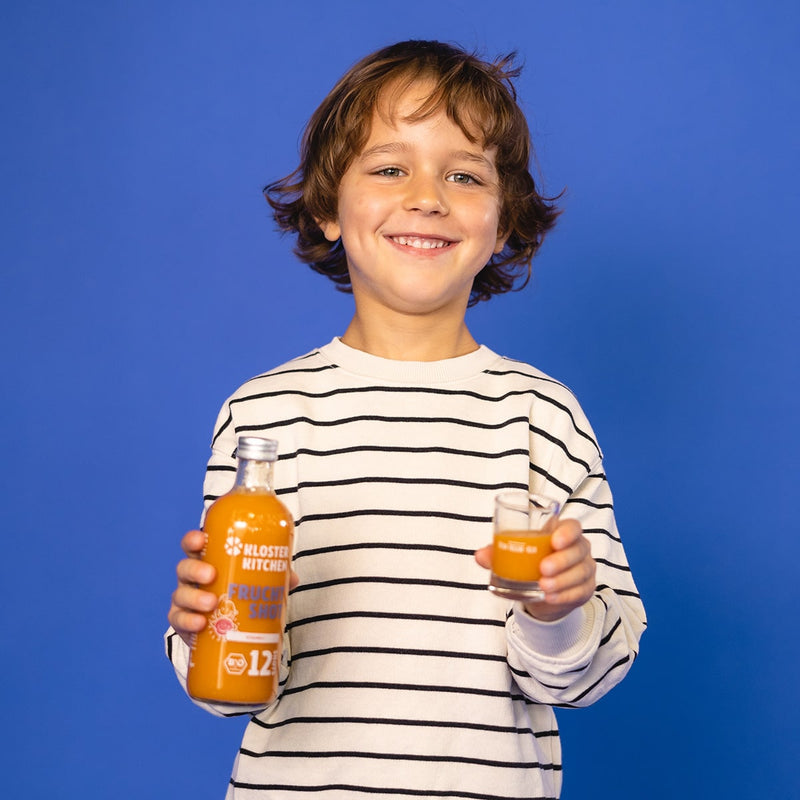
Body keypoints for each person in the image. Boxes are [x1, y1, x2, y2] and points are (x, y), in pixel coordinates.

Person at [166, 39, 646, 800]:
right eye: (390, 168)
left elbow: (590, 674)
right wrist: (203, 635)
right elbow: (232, 687)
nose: (427, 195)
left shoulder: (540, 417)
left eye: (464, 174)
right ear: (328, 208)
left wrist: (560, 611)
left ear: (503, 220)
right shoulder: (265, 415)